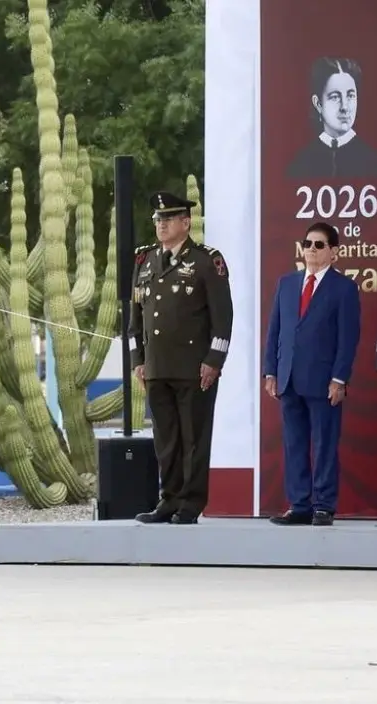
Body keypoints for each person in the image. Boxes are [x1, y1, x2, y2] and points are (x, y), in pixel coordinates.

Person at [130, 191, 234, 525]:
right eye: (158, 220)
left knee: (193, 438)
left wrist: (214, 360)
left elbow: (223, 316)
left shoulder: (206, 260)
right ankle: (169, 499)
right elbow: (135, 317)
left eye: (168, 219)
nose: (161, 225)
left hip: (193, 367)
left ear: (185, 223)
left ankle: (191, 502)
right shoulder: (144, 261)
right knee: (166, 439)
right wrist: (138, 360)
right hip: (157, 367)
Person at [263, 221, 362, 526]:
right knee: (293, 443)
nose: (311, 250)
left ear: (334, 252)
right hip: (289, 376)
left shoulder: (344, 288)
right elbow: (275, 330)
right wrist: (270, 371)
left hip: (323, 380)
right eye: (307, 244)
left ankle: (323, 504)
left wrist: (339, 378)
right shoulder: (287, 283)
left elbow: (348, 338)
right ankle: (299, 504)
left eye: (319, 245)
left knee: (324, 444)